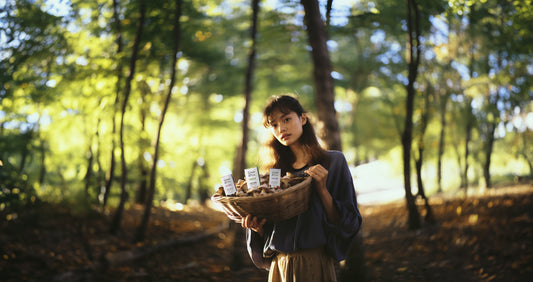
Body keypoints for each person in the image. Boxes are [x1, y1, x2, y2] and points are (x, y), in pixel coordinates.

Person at [241, 95, 362, 282]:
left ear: (303, 119)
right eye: (273, 125)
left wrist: (322, 190)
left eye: (286, 119)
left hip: (315, 264)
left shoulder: (333, 162)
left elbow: (347, 222)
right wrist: (258, 229)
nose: (281, 128)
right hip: (279, 268)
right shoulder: (274, 176)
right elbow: (272, 233)